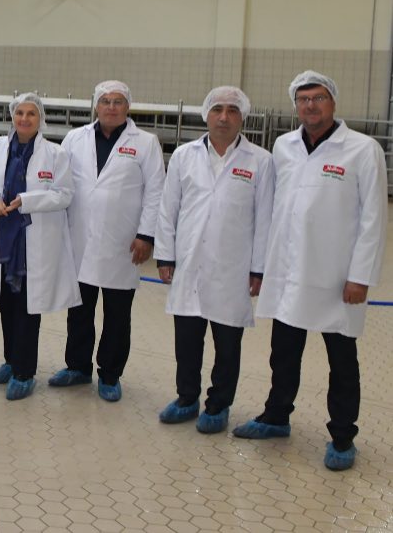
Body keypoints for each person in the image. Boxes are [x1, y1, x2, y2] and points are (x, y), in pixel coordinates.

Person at [233, 71, 387, 471]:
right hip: (288, 270)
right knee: (283, 352)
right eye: (303, 100)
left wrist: (361, 276)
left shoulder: (362, 149)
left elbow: (373, 217)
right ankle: (276, 416)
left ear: (332, 102)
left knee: (342, 360)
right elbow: (275, 207)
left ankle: (342, 436)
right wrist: (263, 266)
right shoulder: (283, 146)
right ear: (295, 106)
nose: (310, 106)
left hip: (336, 276)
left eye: (318, 98)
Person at [154, 87, 273, 432]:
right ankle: (186, 398)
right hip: (189, 262)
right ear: (206, 114)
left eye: (232, 110)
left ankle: (218, 405)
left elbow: (265, 219)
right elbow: (168, 209)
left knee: (228, 344)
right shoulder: (184, 155)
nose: (224, 117)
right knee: (187, 340)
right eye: (217, 109)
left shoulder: (260, 161)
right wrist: (165, 255)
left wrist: (258, 268)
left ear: (242, 117)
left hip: (233, 268)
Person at [50, 80, 164, 402]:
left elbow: (156, 192)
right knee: (78, 309)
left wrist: (146, 235)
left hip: (123, 242)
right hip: (80, 238)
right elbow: (60, 185)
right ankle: (77, 367)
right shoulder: (75, 138)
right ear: (96, 106)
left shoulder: (146, 143)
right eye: (105, 101)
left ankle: (110, 374)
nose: (111, 107)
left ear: (128, 107)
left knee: (117, 314)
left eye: (118, 101)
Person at [0, 93, 80, 401]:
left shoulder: (55, 154)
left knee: (26, 307)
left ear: (40, 118)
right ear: (12, 116)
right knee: (5, 303)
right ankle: (11, 360)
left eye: (31, 113)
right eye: (19, 113)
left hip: (33, 243)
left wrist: (28, 200)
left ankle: (24, 372)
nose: (24, 118)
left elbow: (65, 194)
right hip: (4, 239)